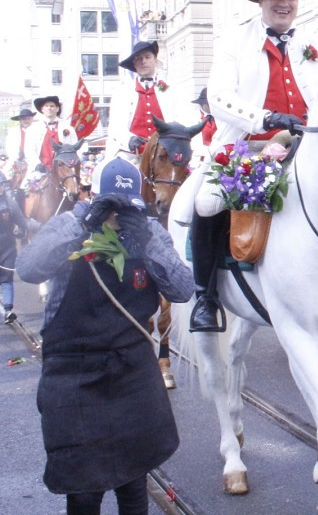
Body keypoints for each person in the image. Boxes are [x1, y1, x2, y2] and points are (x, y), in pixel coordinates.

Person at [15, 158, 194, 515]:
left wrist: (145, 238)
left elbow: (182, 288)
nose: (119, 215)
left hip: (132, 369)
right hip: (74, 372)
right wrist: (85, 222)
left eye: (127, 206)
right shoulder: (69, 223)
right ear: (92, 194)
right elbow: (29, 267)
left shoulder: (147, 230)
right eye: (112, 205)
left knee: (133, 479)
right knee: (83, 488)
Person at [189, 0, 318, 332]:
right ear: (260, 1)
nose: (284, 4)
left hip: (310, 144)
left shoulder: (311, 42)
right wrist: (267, 119)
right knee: (206, 203)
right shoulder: (235, 41)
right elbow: (218, 96)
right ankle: (206, 296)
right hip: (248, 144)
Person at [105, 40, 186, 162]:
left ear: (155, 60)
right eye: (138, 58)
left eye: (147, 57)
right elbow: (115, 127)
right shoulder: (122, 92)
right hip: (130, 155)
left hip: (165, 155)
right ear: (134, 64)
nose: (143, 61)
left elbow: (182, 120)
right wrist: (130, 139)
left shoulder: (172, 89)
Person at [0, 171, 33, 323]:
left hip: (7, 247)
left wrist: (24, 229)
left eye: (1, 185)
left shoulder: (9, 202)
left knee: (7, 279)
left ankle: (8, 310)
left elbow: (21, 221)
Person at [5, 106, 38, 182]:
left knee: (34, 178)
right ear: (20, 120)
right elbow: (9, 147)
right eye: (23, 119)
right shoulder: (13, 132)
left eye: (28, 118)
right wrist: (16, 158)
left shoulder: (37, 131)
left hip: (33, 160)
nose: (26, 121)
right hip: (16, 159)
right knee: (5, 176)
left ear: (32, 119)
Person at [190, 87, 217, 166]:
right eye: (209, 104)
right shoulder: (193, 118)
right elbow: (193, 144)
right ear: (202, 103)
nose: (212, 106)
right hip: (200, 159)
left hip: (220, 158)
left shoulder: (221, 117)